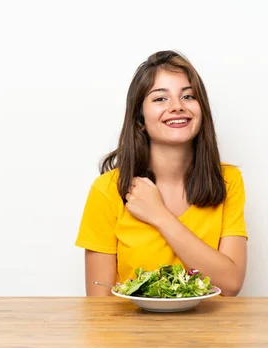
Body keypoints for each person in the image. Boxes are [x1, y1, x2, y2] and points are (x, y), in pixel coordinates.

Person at [74, 50, 248, 296]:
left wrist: (159, 215)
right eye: (160, 99)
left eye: (188, 96)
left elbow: (230, 284)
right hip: (133, 334)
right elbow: (99, 304)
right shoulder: (107, 189)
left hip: (211, 334)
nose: (177, 107)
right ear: (140, 119)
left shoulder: (228, 181)